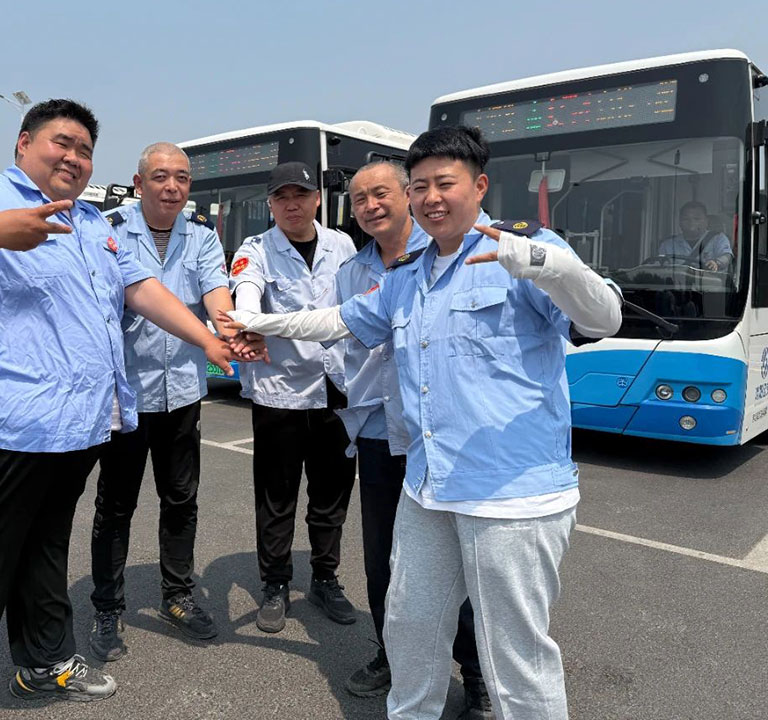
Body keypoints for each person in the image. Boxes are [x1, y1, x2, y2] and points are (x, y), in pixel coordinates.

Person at [222, 126, 622, 720]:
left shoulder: (526, 248)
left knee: (515, 655)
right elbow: (334, 320)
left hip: (509, 494)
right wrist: (258, 322)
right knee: (409, 627)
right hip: (428, 485)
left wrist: (550, 267)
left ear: (479, 186)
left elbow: (604, 318)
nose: (432, 197)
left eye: (445, 183)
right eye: (420, 186)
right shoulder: (407, 276)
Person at [0, 99, 236, 720]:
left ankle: (44, 663)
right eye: (62, 143)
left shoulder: (91, 222)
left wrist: (209, 340)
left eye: (85, 150)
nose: (74, 157)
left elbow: (141, 288)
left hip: (70, 429)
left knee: (45, 550)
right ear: (24, 142)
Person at [337, 161, 491, 718]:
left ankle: (475, 674)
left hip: (445, 439)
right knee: (383, 563)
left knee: (461, 567)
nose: (371, 206)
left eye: (381, 193)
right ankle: (392, 656)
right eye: (359, 199)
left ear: (407, 195)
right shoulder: (352, 271)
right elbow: (338, 337)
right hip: (379, 433)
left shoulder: (452, 250)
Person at [88, 142, 238, 661]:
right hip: (128, 397)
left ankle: (177, 594)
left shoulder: (201, 236)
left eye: (181, 178)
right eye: (160, 176)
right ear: (139, 183)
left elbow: (216, 291)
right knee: (115, 505)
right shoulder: (110, 232)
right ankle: (107, 607)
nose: (172, 187)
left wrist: (229, 331)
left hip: (183, 394)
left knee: (181, 500)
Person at [229, 161, 358, 634]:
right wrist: (248, 320)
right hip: (279, 393)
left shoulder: (343, 245)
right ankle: (275, 584)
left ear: (317, 199)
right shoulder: (256, 248)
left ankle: (325, 577)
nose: (291, 205)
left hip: (337, 389)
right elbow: (245, 291)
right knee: (276, 497)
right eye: (281, 197)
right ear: (270, 204)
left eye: (300, 195)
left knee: (332, 494)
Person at [656, 200, 732, 271]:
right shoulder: (668, 245)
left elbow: (726, 257)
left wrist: (716, 263)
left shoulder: (718, 238)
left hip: (710, 281)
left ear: (706, 221)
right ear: (679, 222)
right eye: (686, 219)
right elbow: (659, 268)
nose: (691, 222)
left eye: (697, 219)